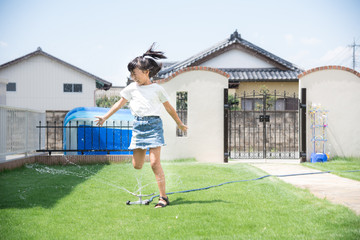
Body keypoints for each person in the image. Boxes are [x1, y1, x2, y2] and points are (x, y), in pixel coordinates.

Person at [95, 44, 188, 208]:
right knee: (137, 165)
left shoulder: (157, 89)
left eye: (135, 73)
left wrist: (179, 124)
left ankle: (163, 198)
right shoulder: (131, 88)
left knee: (154, 163)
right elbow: (119, 103)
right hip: (138, 126)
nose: (133, 77)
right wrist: (105, 117)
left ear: (146, 72)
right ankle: (152, 167)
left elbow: (169, 108)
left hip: (153, 125)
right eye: (131, 74)